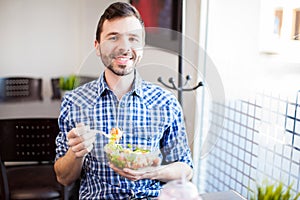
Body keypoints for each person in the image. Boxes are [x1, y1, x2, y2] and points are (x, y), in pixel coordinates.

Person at [54, 2, 193, 199]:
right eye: (113, 37)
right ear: (97, 46)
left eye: (133, 38)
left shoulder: (166, 102)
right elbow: (63, 177)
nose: (124, 47)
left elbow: (186, 169)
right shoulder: (74, 101)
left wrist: (153, 172)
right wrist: (76, 153)